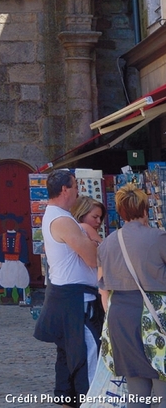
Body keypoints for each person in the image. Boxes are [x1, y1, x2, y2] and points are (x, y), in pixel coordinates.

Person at [33, 169, 100, 406]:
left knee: (66, 356)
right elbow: (92, 257)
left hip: (65, 294)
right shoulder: (62, 219)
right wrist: (92, 240)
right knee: (86, 355)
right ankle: (89, 402)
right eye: (75, 187)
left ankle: (67, 401)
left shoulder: (55, 215)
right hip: (76, 300)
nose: (78, 193)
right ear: (65, 190)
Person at [98, 183, 166, 400]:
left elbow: (104, 289)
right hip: (155, 317)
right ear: (145, 209)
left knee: (137, 391)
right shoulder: (158, 237)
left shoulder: (106, 243)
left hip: (120, 317)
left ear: (120, 211)